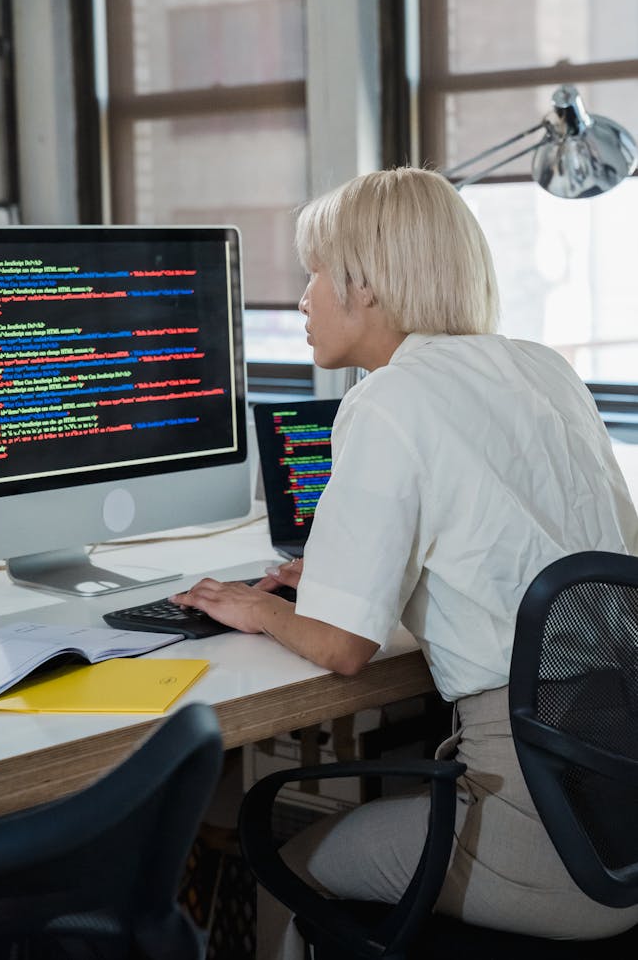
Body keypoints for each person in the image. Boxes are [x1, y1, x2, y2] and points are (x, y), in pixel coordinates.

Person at [174, 166, 638, 950]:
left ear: (368, 288)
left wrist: (260, 607)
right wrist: (344, 582)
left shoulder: (390, 399)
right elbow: (540, 574)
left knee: (293, 860)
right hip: (617, 824)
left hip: (541, 840)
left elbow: (344, 648)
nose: (304, 298)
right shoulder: (544, 371)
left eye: (316, 273)